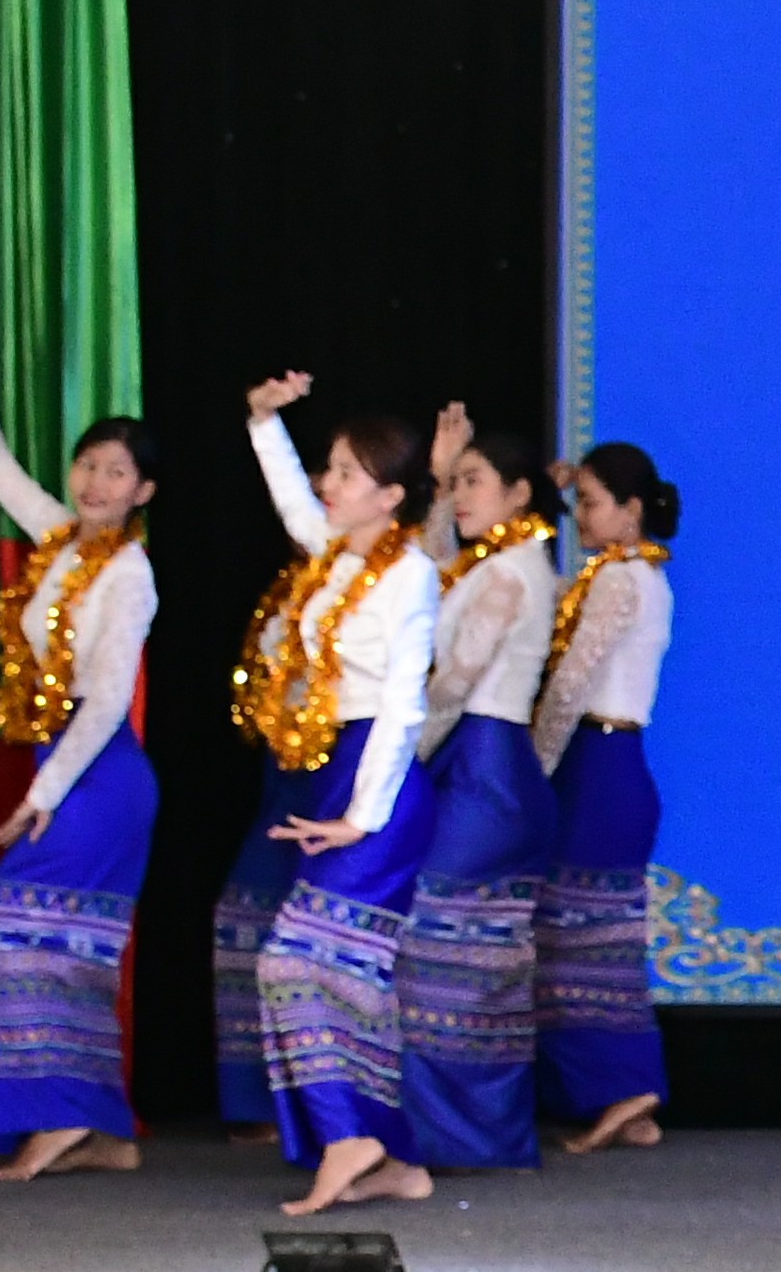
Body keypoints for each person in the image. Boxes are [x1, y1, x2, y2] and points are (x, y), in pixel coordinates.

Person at [0, 367, 159, 1181]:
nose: (96, 483)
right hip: (57, 766)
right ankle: (98, 1129)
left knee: (12, 939)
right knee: (54, 950)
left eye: (116, 472)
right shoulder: (60, 540)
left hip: (96, 777)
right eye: (88, 465)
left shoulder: (130, 576)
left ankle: (63, 1118)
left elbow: (103, 708)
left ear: (143, 491)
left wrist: (42, 796)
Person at [238, 381, 447, 1217]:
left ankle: (349, 1139)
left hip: (382, 784)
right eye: (331, 468)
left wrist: (362, 814)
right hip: (337, 769)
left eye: (350, 474)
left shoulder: (412, 575)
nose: (331, 483)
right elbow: (292, 498)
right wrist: (263, 423)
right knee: (345, 975)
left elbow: (404, 704)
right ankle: (393, 1160)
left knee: (294, 960)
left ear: (392, 496)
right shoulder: (332, 555)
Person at [389, 424, 567, 1175]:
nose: (459, 496)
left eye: (472, 482)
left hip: (484, 767)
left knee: (436, 942)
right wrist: (436, 480)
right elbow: (426, 571)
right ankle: (460, 1133)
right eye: (456, 483)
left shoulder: (510, 573)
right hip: (474, 763)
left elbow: (455, 681)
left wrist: (395, 761)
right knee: (460, 951)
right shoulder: (488, 565)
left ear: (518, 493)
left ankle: (462, 1134)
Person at [532, 440, 680, 1156]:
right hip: (610, 768)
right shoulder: (623, 575)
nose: (580, 516)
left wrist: (531, 766)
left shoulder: (622, 581)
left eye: (590, 503)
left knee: (573, 942)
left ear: (630, 510)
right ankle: (627, 1098)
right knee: (598, 941)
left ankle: (622, 1090)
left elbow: (571, 685)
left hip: (598, 766)